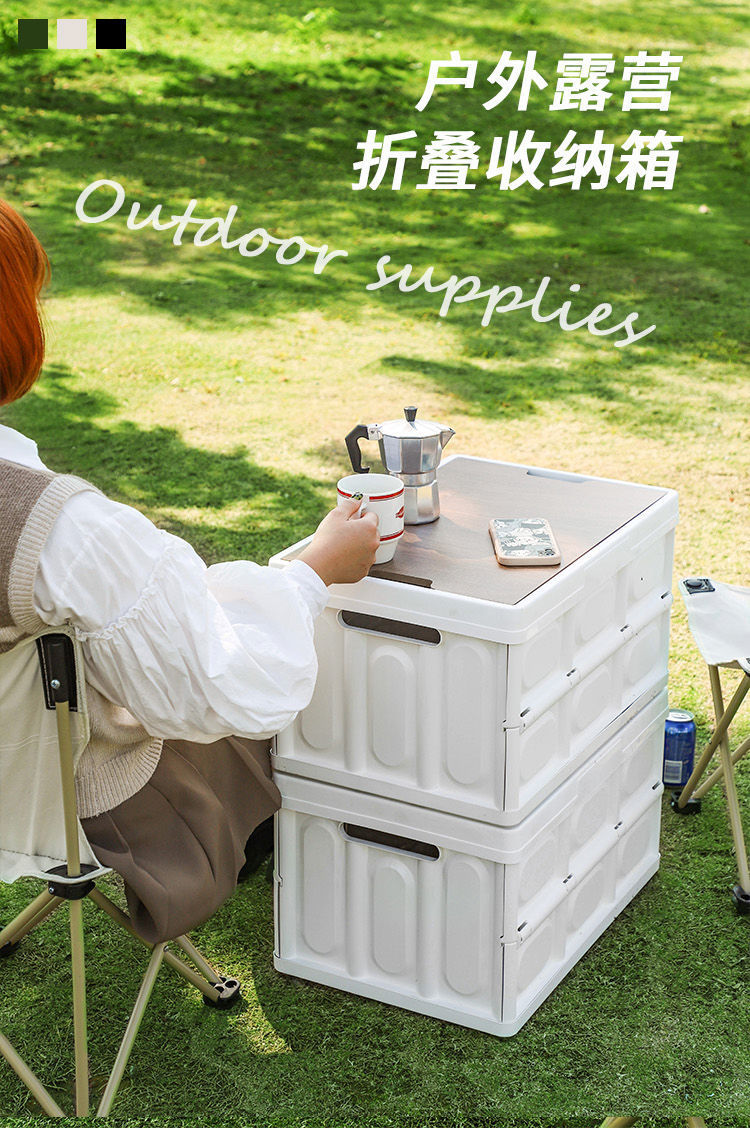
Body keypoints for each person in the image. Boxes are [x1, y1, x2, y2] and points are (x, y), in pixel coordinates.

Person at [0, 199, 380, 943]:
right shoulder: (60, 531)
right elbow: (219, 686)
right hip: (51, 797)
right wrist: (311, 573)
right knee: (251, 712)